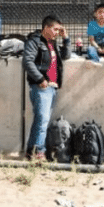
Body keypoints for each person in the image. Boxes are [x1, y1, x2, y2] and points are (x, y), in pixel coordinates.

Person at [23, 14, 72, 161]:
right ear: (46, 27)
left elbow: (66, 55)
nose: (57, 32)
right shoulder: (34, 41)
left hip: (52, 88)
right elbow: (27, 62)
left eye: (59, 30)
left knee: (40, 120)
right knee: (43, 120)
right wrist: (40, 79)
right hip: (41, 87)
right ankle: (39, 153)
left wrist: (66, 39)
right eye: (55, 29)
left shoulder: (53, 43)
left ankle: (30, 152)